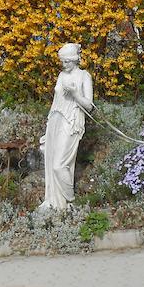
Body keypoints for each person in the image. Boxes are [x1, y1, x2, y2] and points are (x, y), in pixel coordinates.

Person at [39, 43, 94, 211]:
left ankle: (70, 200)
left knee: (59, 165)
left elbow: (89, 106)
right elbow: (56, 101)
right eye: (62, 62)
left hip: (71, 121)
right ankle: (55, 202)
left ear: (75, 60)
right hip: (55, 119)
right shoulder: (62, 75)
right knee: (51, 162)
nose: (64, 65)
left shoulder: (84, 76)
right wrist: (47, 130)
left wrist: (75, 94)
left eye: (67, 62)